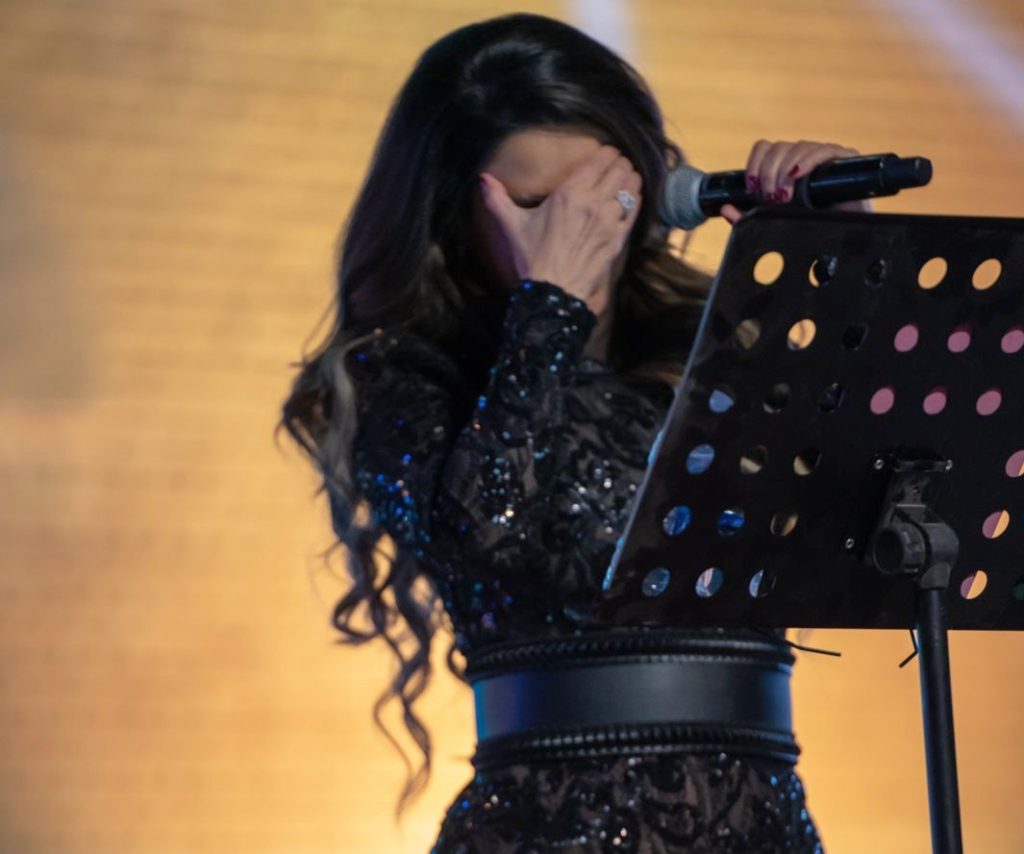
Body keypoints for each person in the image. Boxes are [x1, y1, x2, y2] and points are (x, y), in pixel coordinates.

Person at [279, 12, 869, 852]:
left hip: (760, 823)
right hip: (553, 829)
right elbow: (487, 534)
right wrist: (548, 308)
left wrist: (852, 271)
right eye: (534, 206)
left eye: (599, 200)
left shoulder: (707, 349)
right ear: (454, 213)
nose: (582, 229)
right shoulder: (402, 377)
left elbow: (862, 523)